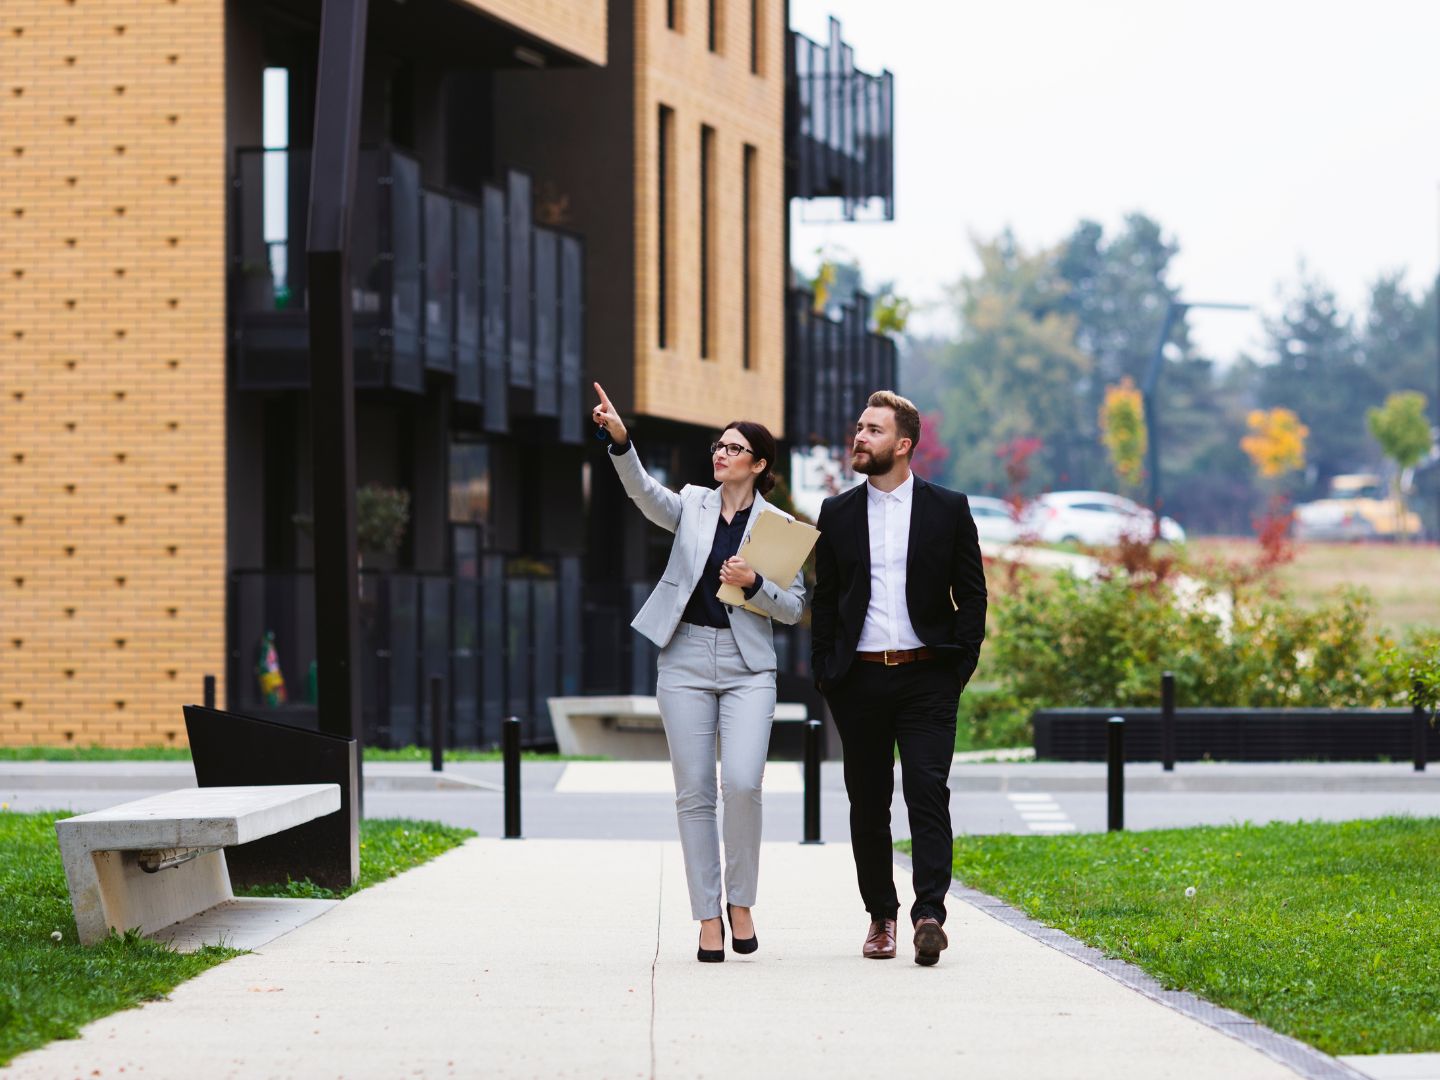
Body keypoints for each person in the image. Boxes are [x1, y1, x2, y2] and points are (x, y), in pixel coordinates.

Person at [591, 382, 807, 963]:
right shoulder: (691, 504)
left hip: (748, 667)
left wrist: (754, 585)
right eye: (719, 446)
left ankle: (742, 902)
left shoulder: (781, 526)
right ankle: (708, 916)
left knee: (742, 783)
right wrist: (621, 441)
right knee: (693, 794)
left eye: (734, 448)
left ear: (758, 465)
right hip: (683, 657)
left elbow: (794, 608)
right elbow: (643, 493)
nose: (721, 454)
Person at [811, 390, 987, 966]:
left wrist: (958, 666)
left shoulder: (948, 508)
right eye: (859, 428)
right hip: (858, 680)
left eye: (873, 430)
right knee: (868, 804)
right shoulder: (836, 513)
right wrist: (826, 672)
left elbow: (973, 594)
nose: (859, 437)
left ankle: (928, 914)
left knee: (927, 792)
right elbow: (826, 599)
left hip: (928, 676)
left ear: (903, 444)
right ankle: (881, 917)